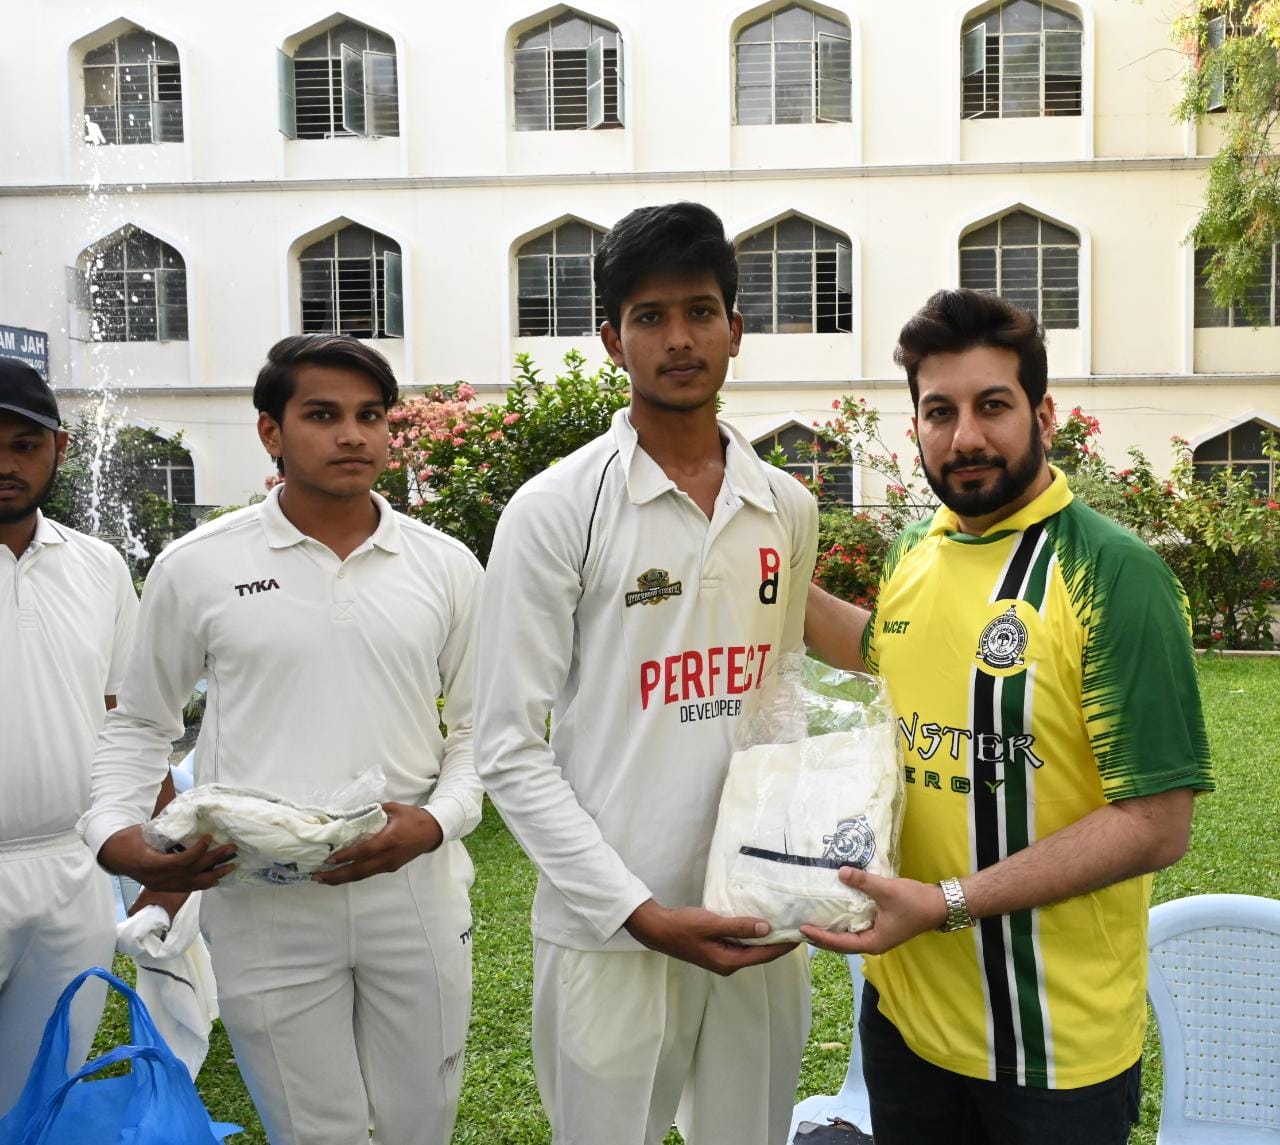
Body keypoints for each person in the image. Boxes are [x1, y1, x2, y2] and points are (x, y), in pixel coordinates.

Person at [802, 288, 1214, 1145]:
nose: (967, 438)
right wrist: (755, 569)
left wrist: (948, 901)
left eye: (993, 405)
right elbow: (880, 651)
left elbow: (1154, 823)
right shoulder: (917, 549)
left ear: (1044, 413)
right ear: (914, 424)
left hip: (1052, 1052)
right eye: (939, 411)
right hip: (906, 1018)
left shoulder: (1113, 574)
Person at [77, 335, 484, 1145]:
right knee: (313, 1131)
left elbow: (483, 729)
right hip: (260, 896)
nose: (353, 436)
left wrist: (436, 822)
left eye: (370, 416)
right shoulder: (198, 567)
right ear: (272, 432)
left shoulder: (444, 565)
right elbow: (141, 724)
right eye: (323, 415)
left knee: (421, 1124)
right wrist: (112, 835)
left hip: (412, 886)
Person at [473, 202, 819, 1145]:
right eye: (651, 316)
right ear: (611, 338)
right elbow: (506, 745)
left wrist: (800, 866)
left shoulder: (785, 504)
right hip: (610, 929)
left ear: (736, 329)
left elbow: (777, 701)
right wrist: (636, 910)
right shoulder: (554, 510)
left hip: (758, 917)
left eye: (701, 311)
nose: (680, 339)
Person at [0, 359, 139, 1111]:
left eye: (25, 443)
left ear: (59, 447)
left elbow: (131, 721)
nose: (5, 464)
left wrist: (163, 862)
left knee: (38, 1094)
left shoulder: (101, 566)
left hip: (73, 867)